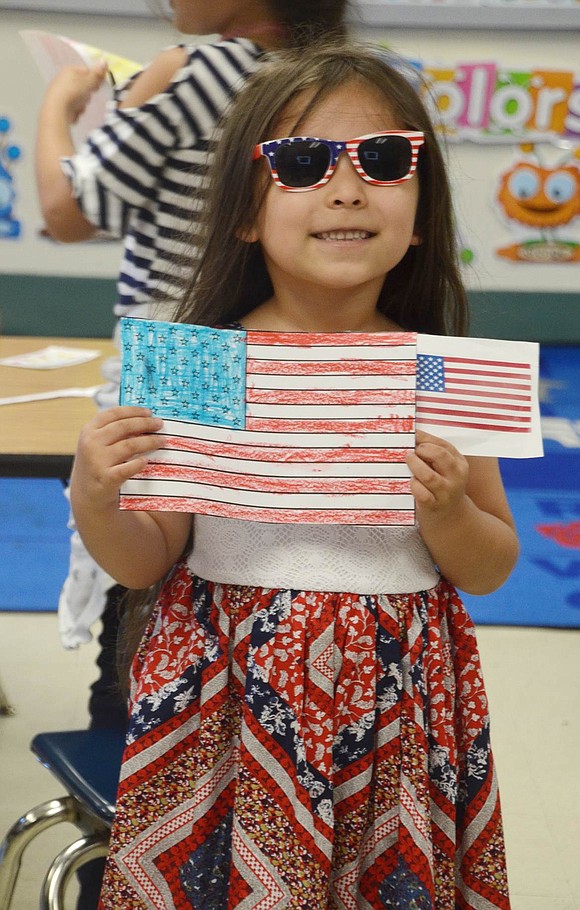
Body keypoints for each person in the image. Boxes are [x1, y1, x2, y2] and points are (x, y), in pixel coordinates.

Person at [69, 42, 519, 909]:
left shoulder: (440, 373)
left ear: (421, 212)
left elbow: (490, 565)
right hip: (222, 711)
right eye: (303, 161)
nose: (346, 188)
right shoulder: (201, 364)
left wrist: (450, 509)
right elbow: (141, 559)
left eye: (385, 160)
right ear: (245, 211)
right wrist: (97, 497)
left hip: (396, 712)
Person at [35, 5, 348, 908]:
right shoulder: (334, 80)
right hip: (297, 384)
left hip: (179, 374)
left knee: (145, 660)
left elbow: (67, 209)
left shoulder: (202, 68)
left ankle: (127, 859)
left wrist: (64, 101)